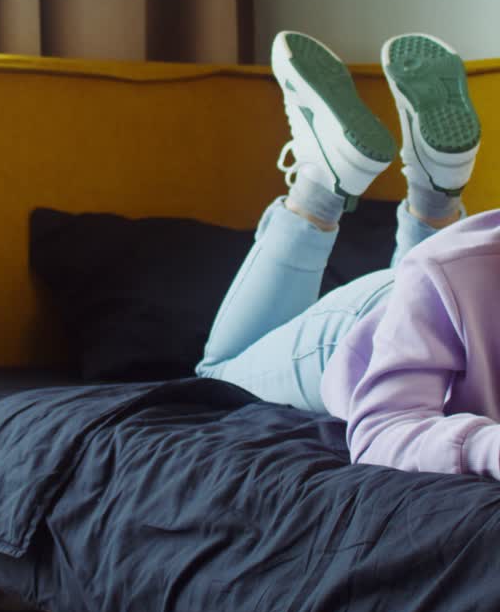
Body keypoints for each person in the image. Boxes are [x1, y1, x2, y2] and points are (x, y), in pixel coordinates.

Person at [195, 31, 500, 480]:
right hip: (360, 327)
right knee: (215, 379)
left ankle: (435, 196)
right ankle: (321, 185)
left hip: (435, 289)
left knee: (440, 280)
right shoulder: (449, 276)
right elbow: (383, 430)